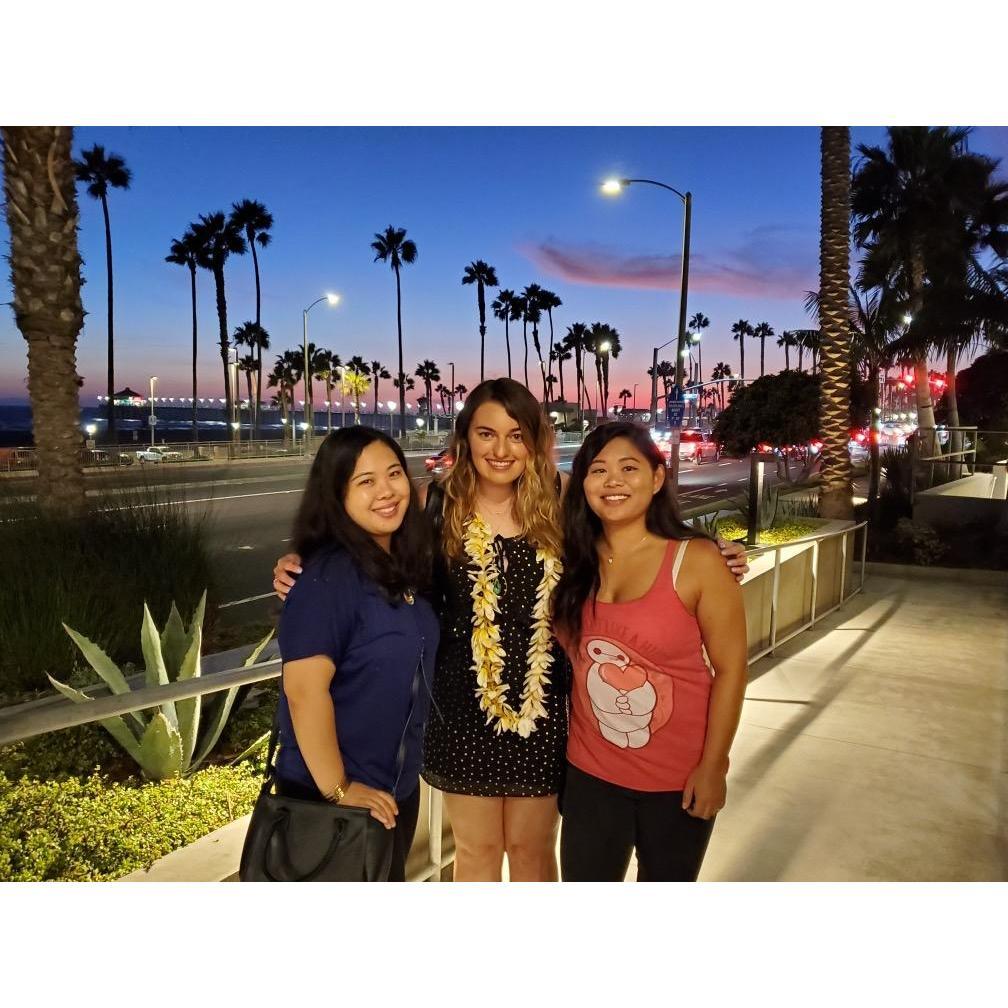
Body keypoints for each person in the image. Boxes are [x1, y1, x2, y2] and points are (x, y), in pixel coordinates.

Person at [273, 378, 750, 883]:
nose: (500, 450)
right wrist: (300, 562)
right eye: (485, 434)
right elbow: (365, 537)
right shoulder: (431, 502)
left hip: (542, 712)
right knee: (476, 852)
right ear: (465, 439)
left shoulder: (563, 498)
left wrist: (713, 551)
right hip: (461, 712)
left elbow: (630, 528)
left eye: (516, 434)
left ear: (535, 441)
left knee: (532, 850)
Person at [551, 421, 748, 882]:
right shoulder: (571, 561)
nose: (613, 481)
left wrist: (714, 766)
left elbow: (732, 669)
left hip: (676, 782)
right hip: (590, 776)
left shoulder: (696, 560)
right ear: (583, 483)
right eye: (598, 470)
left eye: (629, 468)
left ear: (657, 478)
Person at [274, 426, 439, 883]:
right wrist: (339, 790)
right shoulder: (328, 578)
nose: (386, 492)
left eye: (393, 474)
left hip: (392, 794)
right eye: (364, 481)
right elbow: (304, 692)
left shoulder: (402, 567)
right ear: (335, 495)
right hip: (330, 802)